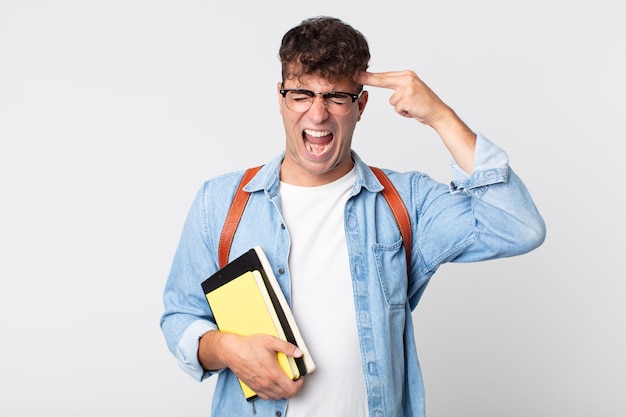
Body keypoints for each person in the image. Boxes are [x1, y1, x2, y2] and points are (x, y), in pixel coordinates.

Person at [160, 16, 546, 417]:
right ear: (280, 97)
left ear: (360, 105)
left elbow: (519, 227)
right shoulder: (220, 202)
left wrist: (440, 117)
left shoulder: (405, 202)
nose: (317, 114)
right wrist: (226, 349)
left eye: (336, 97)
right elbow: (180, 318)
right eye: (302, 94)